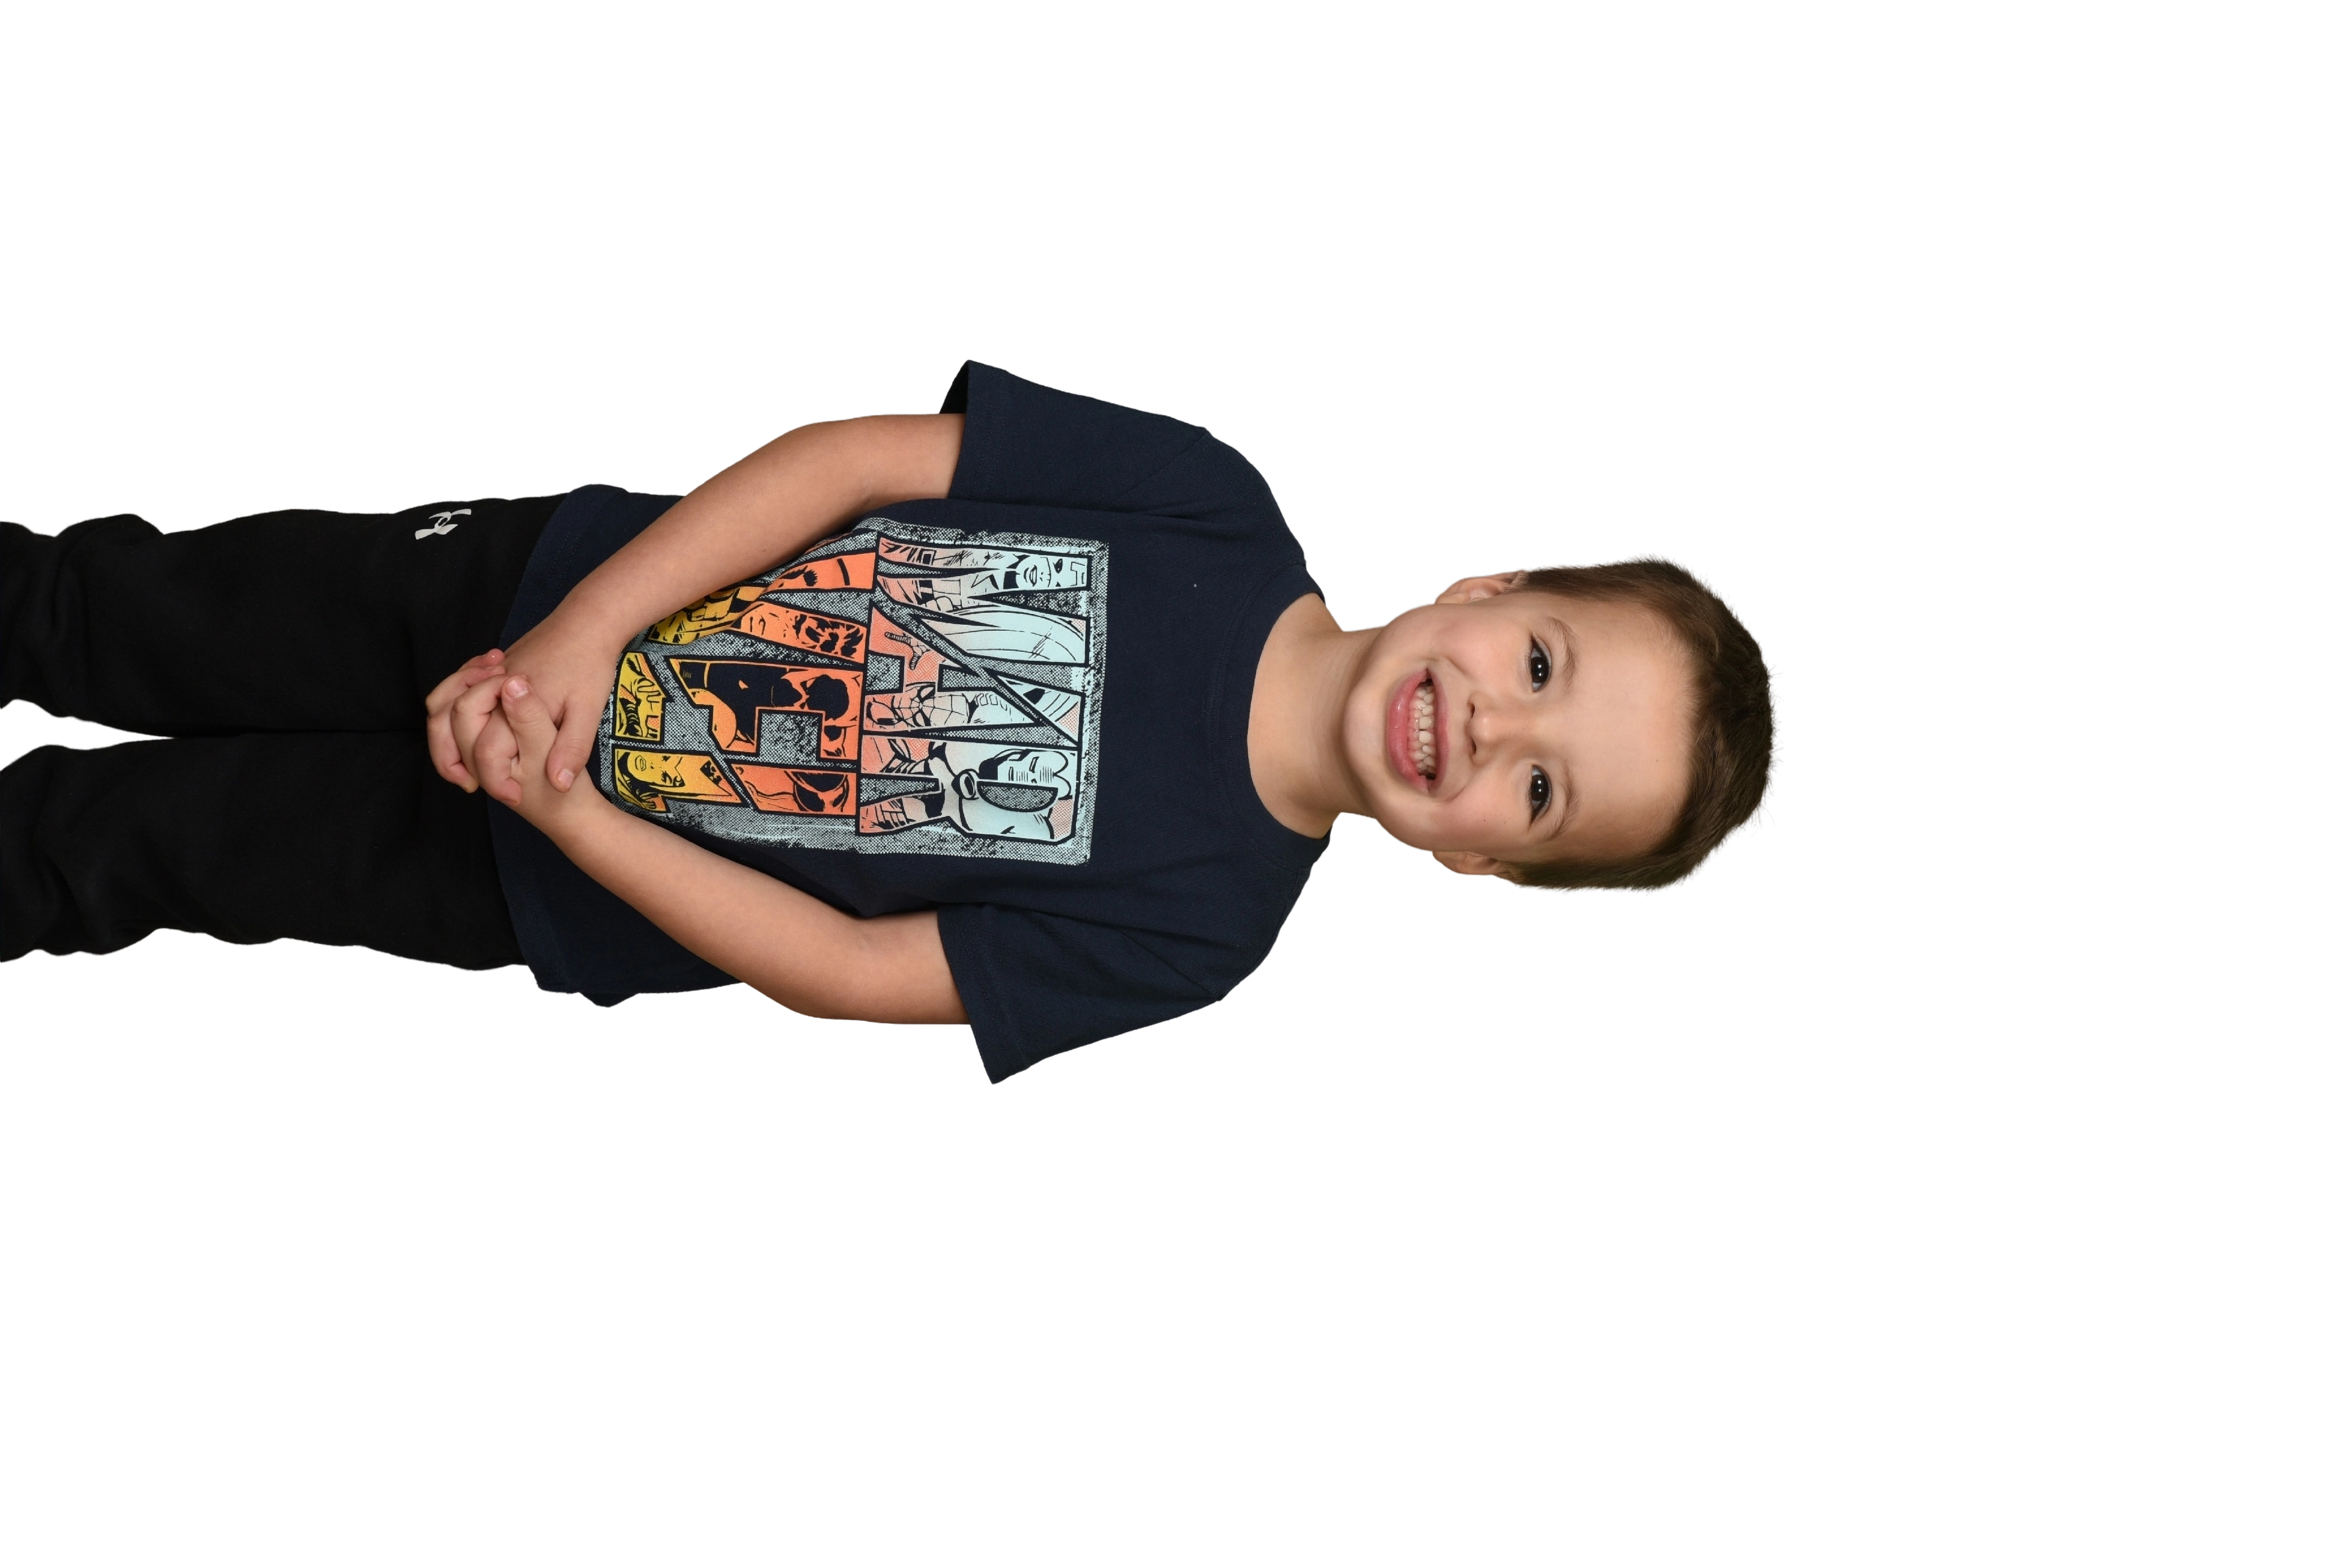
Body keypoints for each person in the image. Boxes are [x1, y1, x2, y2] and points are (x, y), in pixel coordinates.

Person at [3, 359, 1785, 1083]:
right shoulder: (1212, 502)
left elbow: (856, 974)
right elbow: (855, 463)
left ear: (1487, 870)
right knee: (112, 614)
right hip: (518, 590)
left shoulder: (1205, 934)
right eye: (1541, 667)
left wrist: (572, 812)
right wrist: (579, 638)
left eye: (1541, 796)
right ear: (1494, 586)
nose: (1486, 736)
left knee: (134, 855)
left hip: (537, 876)